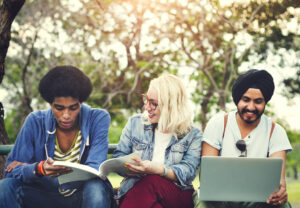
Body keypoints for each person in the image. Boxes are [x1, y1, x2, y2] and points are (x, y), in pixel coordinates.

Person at [0, 66, 115, 208]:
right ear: (50, 104)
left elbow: (95, 168)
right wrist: (39, 169)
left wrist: (34, 170)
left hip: (82, 196)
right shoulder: (35, 121)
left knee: (96, 188)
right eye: (59, 108)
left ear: (81, 103)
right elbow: (10, 172)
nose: (66, 115)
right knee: (6, 186)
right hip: (45, 196)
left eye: (73, 107)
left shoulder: (97, 118)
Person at [194, 69, 292, 208]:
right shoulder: (218, 124)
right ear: (237, 99)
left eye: (258, 101)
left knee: (284, 205)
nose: (251, 107)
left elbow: (279, 183)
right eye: (246, 100)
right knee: (203, 204)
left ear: (265, 102)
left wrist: (281, 194)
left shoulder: (276, 132)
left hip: (258, 200)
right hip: (218, 199)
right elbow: (207, 179)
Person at [113, 74, 202, 208]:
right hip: (136, 192)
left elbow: (187, 172)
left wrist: (159, 170)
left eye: (154, 103)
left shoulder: (193, 135)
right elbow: (119, 156)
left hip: (176, 194)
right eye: (146, 100)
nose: (147, 107)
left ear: (171, 106)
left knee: (152, 180)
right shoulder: (135, 123)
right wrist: (132, 168)